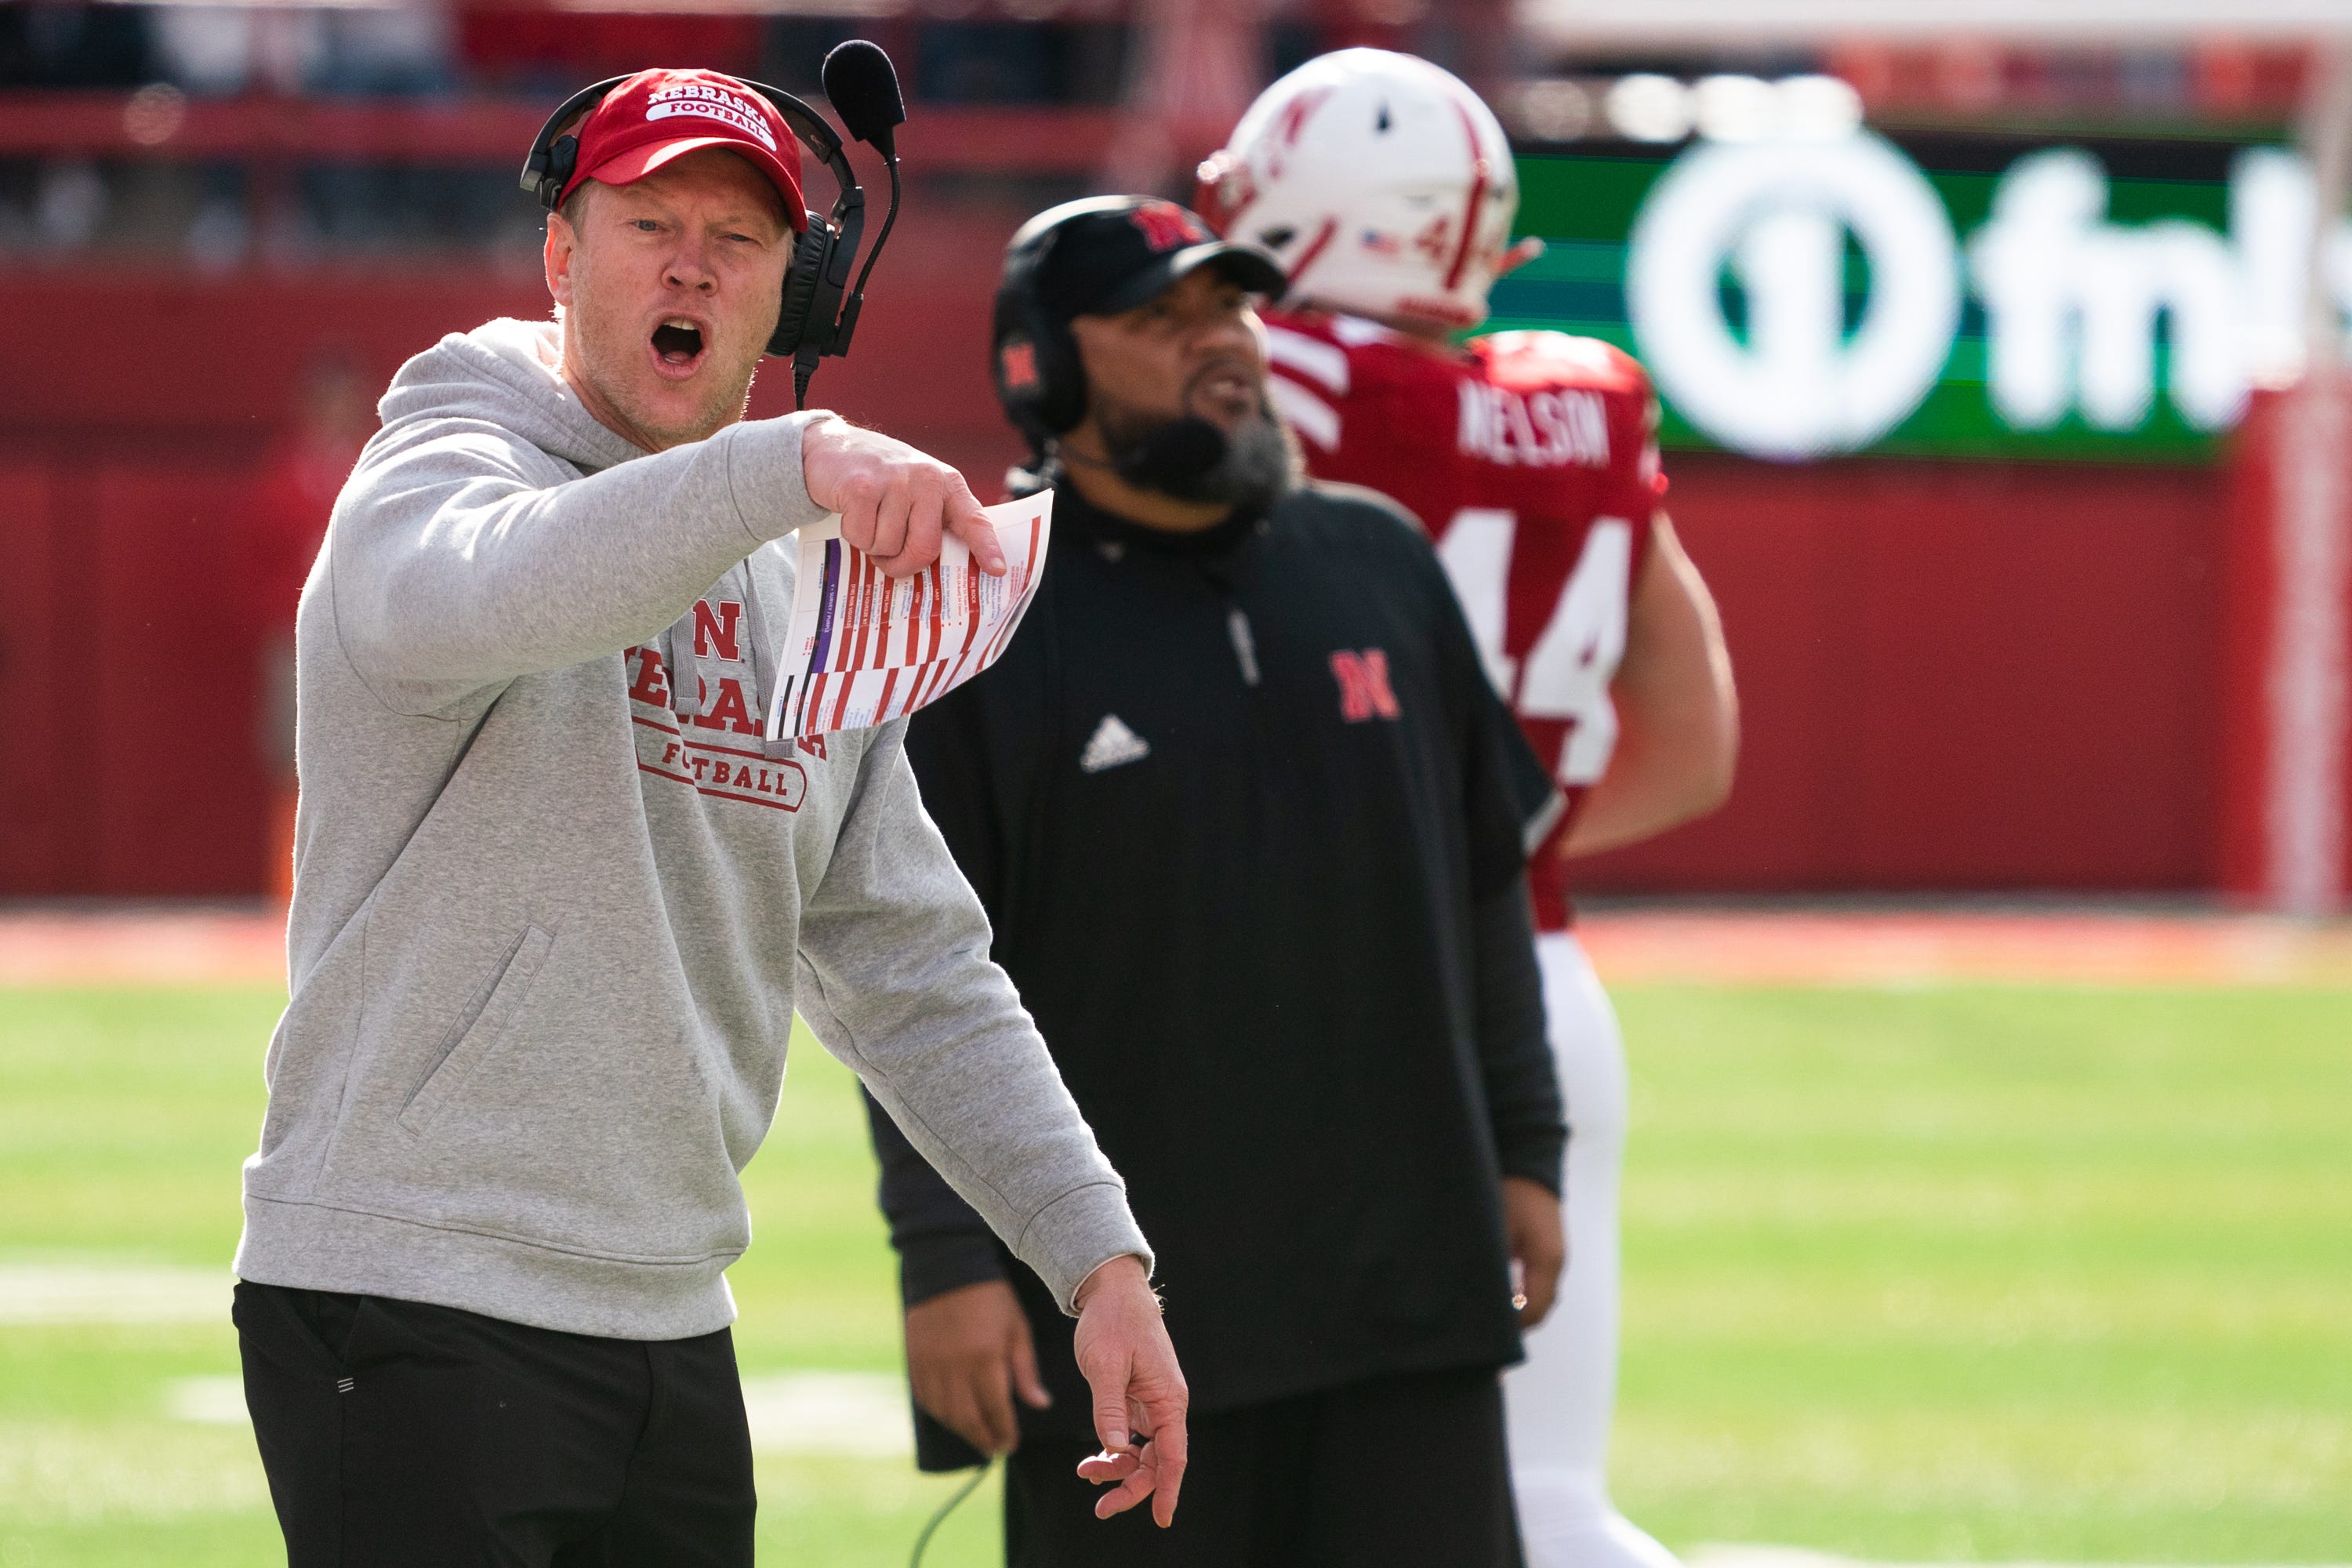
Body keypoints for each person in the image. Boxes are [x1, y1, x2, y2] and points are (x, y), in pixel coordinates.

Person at [230, 67, 1186, 1568]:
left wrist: (1098, 1259)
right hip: (408, 1294)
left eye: (739, 240)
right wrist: (784, 467)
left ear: (789, 296)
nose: (691, 264)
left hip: (673, 1322)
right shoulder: (438, 462)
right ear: (561, 257)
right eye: (648, 222)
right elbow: (508, 583)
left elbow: (915, 969)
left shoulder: (798, 579)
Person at [862, 194, 1568, 1566]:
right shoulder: (977, 609)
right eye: (1159, 320)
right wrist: (945, 1257)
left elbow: (1486, 882)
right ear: (1039, 370)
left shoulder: (1379, 558)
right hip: (1138, 1319)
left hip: (1409, 1290)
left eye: (1230, 309)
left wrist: (1528, 1146)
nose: (1220, 344)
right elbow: (907, 962)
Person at [1200, 47, 1740, 1568]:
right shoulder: (1590, 406)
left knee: (1263, 1499)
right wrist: (1496, 852)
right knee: (1543, 1508)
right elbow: (1694, 747)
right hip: (1543, 986)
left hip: (1309, 1007)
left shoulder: (1267, 383)